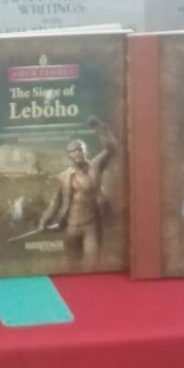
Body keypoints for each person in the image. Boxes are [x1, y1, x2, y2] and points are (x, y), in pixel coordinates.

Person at [36, 116, 116, 271]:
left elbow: (110, 148)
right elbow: (55, 202)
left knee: (91, 265)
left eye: (80, 149)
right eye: (73, 151)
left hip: (91, 226)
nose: (78, 152)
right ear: (69, 155)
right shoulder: (64, 176)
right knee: (72, 266)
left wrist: (100, 127)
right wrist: (43, 222)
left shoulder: (96, 166)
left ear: (86, 151)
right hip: (71, 227)